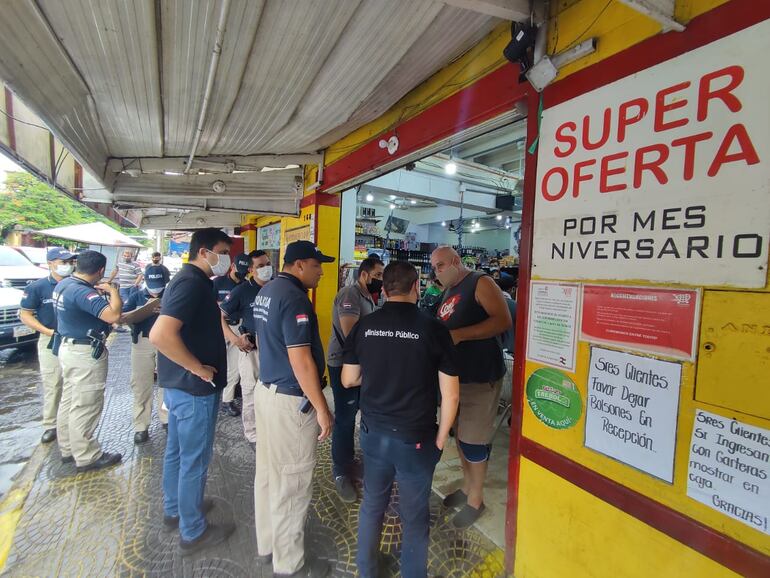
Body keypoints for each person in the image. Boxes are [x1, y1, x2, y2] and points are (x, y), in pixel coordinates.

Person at [341, 260, 460, 578]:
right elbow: (451, 395)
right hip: (416, 438)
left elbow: (348, 380)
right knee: (414, 515)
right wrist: (442, 435)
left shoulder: (365, 327)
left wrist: (380, 374)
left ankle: (366, 570)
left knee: (372, 505)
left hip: (373, 434)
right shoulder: (434, 329)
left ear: (385, 288)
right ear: (415, 287)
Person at [149, 227, 235, 555]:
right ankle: (193, 530)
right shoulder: (190, 283)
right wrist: (197, 368)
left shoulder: (192, 281)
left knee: (178, 452)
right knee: (194, 460)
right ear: (204, 252)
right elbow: (161, 334)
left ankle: (177, 509)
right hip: (193, 389)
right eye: (223, 251)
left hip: (179, 386)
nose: (226, 259)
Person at [253, 240, 335, 578]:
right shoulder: (295, 299)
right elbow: (301, 360)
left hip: (266, 391)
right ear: (300, 265)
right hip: (289, 402)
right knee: (292, 481)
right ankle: (289, 564)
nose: (321, 271)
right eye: (317, 265)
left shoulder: (267, 290)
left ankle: (268, 545)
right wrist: (322, 408)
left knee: (269, 474)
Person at [429, 246, 512, 528]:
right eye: (434, 268)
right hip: (456, 379)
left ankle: (476, 500)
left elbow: (503, 321)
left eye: (440, 266)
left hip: (480, 377)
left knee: (473, 442)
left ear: (455, 261)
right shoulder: (448, 290)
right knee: (461, 438)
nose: (436, 272)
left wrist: (459, 336)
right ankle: (466, 488)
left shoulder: (480, 282)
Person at [53, 250, 123, 472]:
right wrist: (113, 292)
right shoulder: (83, 293)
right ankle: (87, 456)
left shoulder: (63, 285)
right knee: (86, 403)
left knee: (70, 400)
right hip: (84, 353)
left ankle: (67, 449)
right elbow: (113, 316)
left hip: (69, 348)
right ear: (101, 270)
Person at [325, 257, 384, 502]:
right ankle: (341, 471)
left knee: (363, 412)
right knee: (346, 418)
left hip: (362, 364)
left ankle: (352, 458)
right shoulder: (350, 293)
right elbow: (351, 334)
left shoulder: (368, 296)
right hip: (343, 364)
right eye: (378, 275)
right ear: (364, 275)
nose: (380, 280)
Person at [19, 247, 77, 444]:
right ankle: (51, 424)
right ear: (51, 263)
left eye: (70, 262)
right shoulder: (38, 287)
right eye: (63, 262)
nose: (67, 266)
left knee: (74, 382)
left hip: (75, 338)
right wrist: (47, 331)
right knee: (54, 382)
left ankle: (68, 421)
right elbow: (25, 314)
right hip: (50, 338)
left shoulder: (76, 285)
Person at [219, 250, 272, 447]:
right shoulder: (242, 290)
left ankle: (269, 429)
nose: (266, 268)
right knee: (250, 393)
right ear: (251, 270)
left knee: (272, 393)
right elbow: (220, 315)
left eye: (267, 264)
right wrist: (234, 339)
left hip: (274, 350)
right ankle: (253, 435)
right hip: (252, 352)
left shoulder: (277, 287)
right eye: (260, 266)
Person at [121, 274, 168, 444]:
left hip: (165, 341)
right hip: (141, 341)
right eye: (152, 285)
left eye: (159, 285)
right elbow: (123, 317)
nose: (155, 290)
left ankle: (166, 418)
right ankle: (141, 425)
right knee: (141, 384)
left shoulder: (170, 294)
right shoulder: (136, 296)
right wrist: (142, 312)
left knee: (166, 382)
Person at [213, 253, 248, 417]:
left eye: (244, 271)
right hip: (219, 327)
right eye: (239, 270)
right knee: (215, 361)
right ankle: (212, 393)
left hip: (238, 327)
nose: (241, 275)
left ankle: (227, 400)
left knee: (234, 366)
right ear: (232, 266)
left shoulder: (245, 286)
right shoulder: (218, 282)